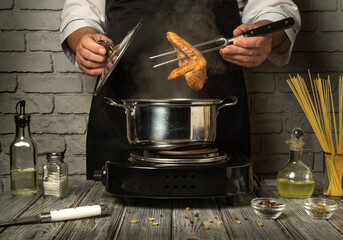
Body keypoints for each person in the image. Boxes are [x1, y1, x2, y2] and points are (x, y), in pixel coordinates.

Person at [60, 0, 301, 179]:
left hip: (216, 112)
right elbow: (81, 12)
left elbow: (275, 8)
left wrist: (265, 34)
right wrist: (86, 39)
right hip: (122, 112)